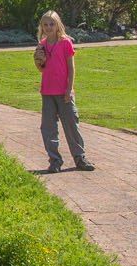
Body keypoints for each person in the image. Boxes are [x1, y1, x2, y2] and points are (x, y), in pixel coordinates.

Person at [36, 11, 94, 173]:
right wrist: (39, 61)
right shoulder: (42, 44)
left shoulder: (65, 43)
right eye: (45, 25)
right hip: (47, 91)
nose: (48, 27)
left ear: (58, 25)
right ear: (42, 26)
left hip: (64, 92)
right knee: (48, 127)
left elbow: (71, 68)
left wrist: (69, 89)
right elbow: (42, 69)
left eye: (52, 24)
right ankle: (55, 160)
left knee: (71, 125)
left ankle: (80, 158)